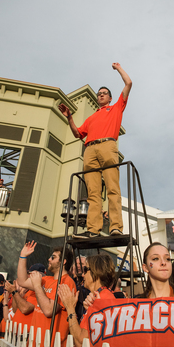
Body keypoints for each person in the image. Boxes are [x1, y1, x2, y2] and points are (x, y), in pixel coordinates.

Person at [58, 63, 132, 238]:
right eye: (99, 94)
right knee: (92, 192)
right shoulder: (91, 118)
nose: (100, 96)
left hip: (107, 145)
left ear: (110, 98)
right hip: (89, 149)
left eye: (104, 93)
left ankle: (115, 227)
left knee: (112, 188)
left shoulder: (115, 108)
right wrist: (69, 117)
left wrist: (118, 67)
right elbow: (77, 134)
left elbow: (128, 83)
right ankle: (93, 229)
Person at [17, 241, 76, 347]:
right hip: (34, 344)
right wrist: (23, 256)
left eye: (53, 257)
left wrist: (38, 286)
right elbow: (22, 281)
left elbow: (49, 310)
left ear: (63, 261)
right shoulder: (46, 279)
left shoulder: (67, 282)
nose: (49, 259)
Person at [58, 253, 116, 347]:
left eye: (86, 270)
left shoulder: (101, 298)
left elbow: (80, 343)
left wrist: (70, 308)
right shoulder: (101, 296)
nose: (83, 274)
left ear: (97, 272)